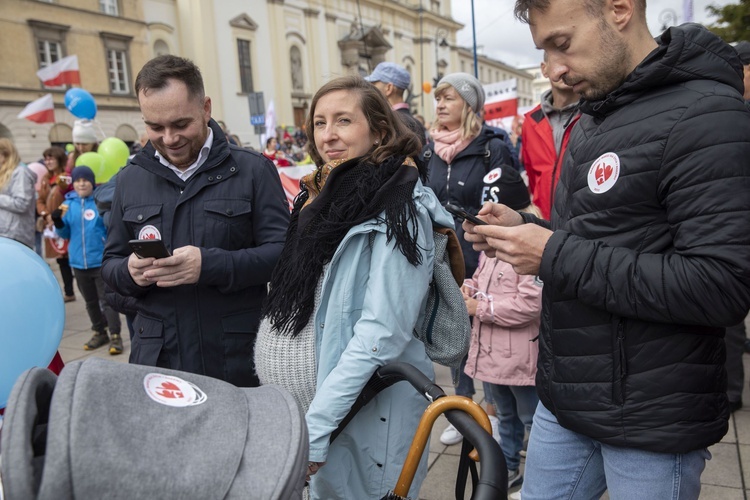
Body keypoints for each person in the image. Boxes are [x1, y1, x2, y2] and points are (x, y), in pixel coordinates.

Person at [463, 0, 750, 497]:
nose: (553, 69)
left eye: (562, 43)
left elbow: (721, 285)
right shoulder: (596, 116)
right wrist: (527, 227)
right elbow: (605, 234)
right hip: (568, 395)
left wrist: (551, 253)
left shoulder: (709, 114)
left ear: (619, 8)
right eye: (543, 50)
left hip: (652, 420)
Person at [255, 75, 451, 499]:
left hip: (360, 415)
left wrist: (319, 425)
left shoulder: (400, 206)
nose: (328, 135)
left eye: (343, 120)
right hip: (309, 413)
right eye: (320, 123)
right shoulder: (317, 196)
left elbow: (382, 332)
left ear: (379, 129)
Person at [101, 54, 289, 387]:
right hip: (160, 362)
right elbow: (110, 266)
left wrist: (209, 265)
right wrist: (129, 272)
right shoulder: (130, 180)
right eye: (155, 127)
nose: (169, 138)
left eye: (180, 124)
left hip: (235, 359)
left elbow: (284, 257)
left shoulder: (254, 170)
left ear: (206, 108)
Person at [424, 72, 518, 446]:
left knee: (487, 331)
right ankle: (462, 408)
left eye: (449, 98)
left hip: (482, 250)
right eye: (439, 99)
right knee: (454, 330)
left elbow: (504, 200)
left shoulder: (491, 145)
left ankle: (493, 411)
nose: (441, 105)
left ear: (469, 104)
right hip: (443, 251)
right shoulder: (429, 148)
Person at [462, 169, 543, 491]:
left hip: (520, 358)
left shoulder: (530, 245)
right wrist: (469, 288)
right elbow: (483, 280)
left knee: (533, 421)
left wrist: (480, 307)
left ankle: (540, 476)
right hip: (492, 356)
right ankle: (508, 467)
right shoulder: (494, 244)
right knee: (504, 418)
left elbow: (529, 304)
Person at [51, 166, 123, 354]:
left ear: (92, 182)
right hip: (77, 263)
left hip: (99, 261)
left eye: (85, 180)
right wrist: (58, 222)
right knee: (90, 302)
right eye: (78, 180)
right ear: (73, 183)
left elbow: (109, 229)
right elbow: (65, 233)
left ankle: (115, 335)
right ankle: (99, 331)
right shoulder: (69, 205)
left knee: (107, 301)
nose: (81, 183)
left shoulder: (99, 202)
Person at [521, 52, 580, 220]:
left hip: (580, 225)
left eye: (571, 60)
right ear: (544, 69)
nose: (564, 69)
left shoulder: (595, 115)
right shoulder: (530, 121)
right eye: (557, 61)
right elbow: (532, 176)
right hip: (543, 222)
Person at [40, 146, 76, 302]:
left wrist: (57, 216)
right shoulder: (45, 179)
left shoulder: (64, 178)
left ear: (59, 159)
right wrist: (46, 215)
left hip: (62, 222)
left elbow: (68, 198)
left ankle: (70, 290)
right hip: (49, 224)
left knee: (66, 256)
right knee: (60, 258)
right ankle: (68, 291)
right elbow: (39, 200)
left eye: (51, 158)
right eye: (46, 158)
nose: (48, 162)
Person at [365, 61, 427, 147]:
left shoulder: (390, 122)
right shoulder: (417, 123)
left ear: (389, 88)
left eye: (374, 84)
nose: (371, 89)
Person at [0, 138, 35, 249]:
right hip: (5, 233)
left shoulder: (20, 172)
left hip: (15, 234)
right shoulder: (4, 173)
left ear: (6, 155)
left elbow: (21, 203)